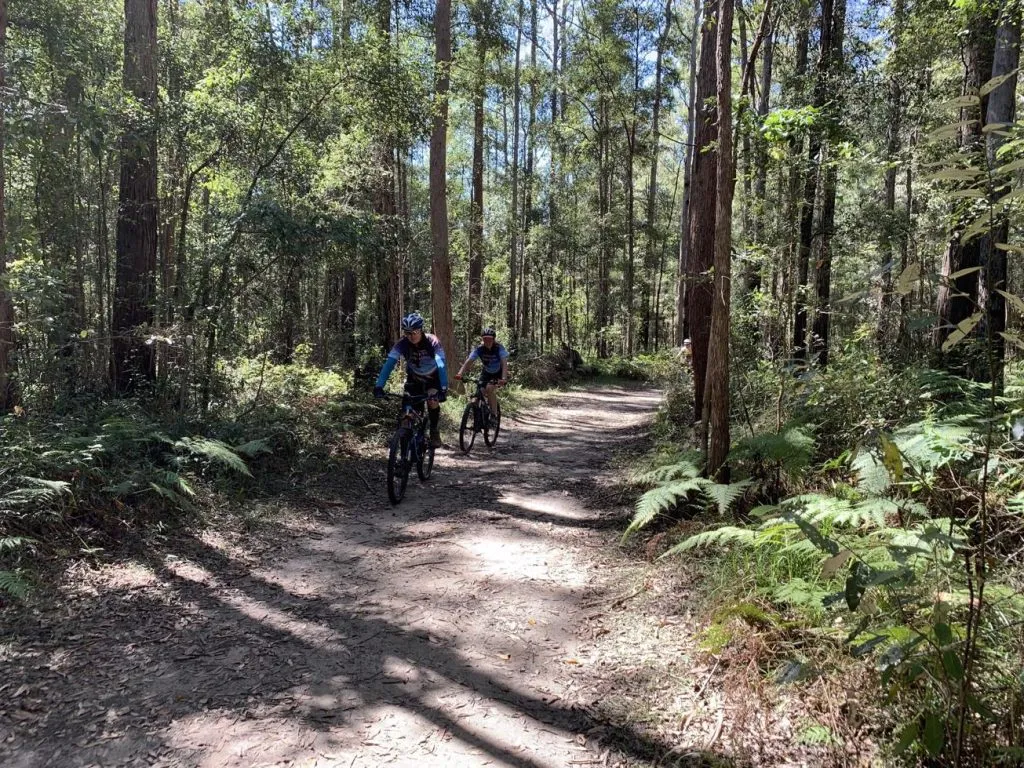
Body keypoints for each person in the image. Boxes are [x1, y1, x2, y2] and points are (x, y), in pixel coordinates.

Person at [373, 312, 448, 448]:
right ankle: (404, 441)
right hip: (414, 379)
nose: (411, 336)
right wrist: (379, 386)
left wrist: (443, 388)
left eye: (414, 332)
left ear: (421, 330)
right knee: (407, 410)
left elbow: (440, 363)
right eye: (408, 333)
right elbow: (389, 364)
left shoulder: (432, 341)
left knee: (432, 402)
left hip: (433, 379)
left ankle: (434, 431)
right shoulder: (402, 344)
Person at [454, 327, 509, 427]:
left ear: (493, 339)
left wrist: (504, 378)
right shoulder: (479, 349)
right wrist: (460, 373)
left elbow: (504, 363)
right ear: (482, 339)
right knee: (477, 395)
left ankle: (494, 415)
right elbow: (469, 361)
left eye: (490, 339)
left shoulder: (499, 348)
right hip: (486, 372)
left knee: (490, 389)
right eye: (485, 339)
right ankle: (478, 420)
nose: (487, 341)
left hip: (498, 373)